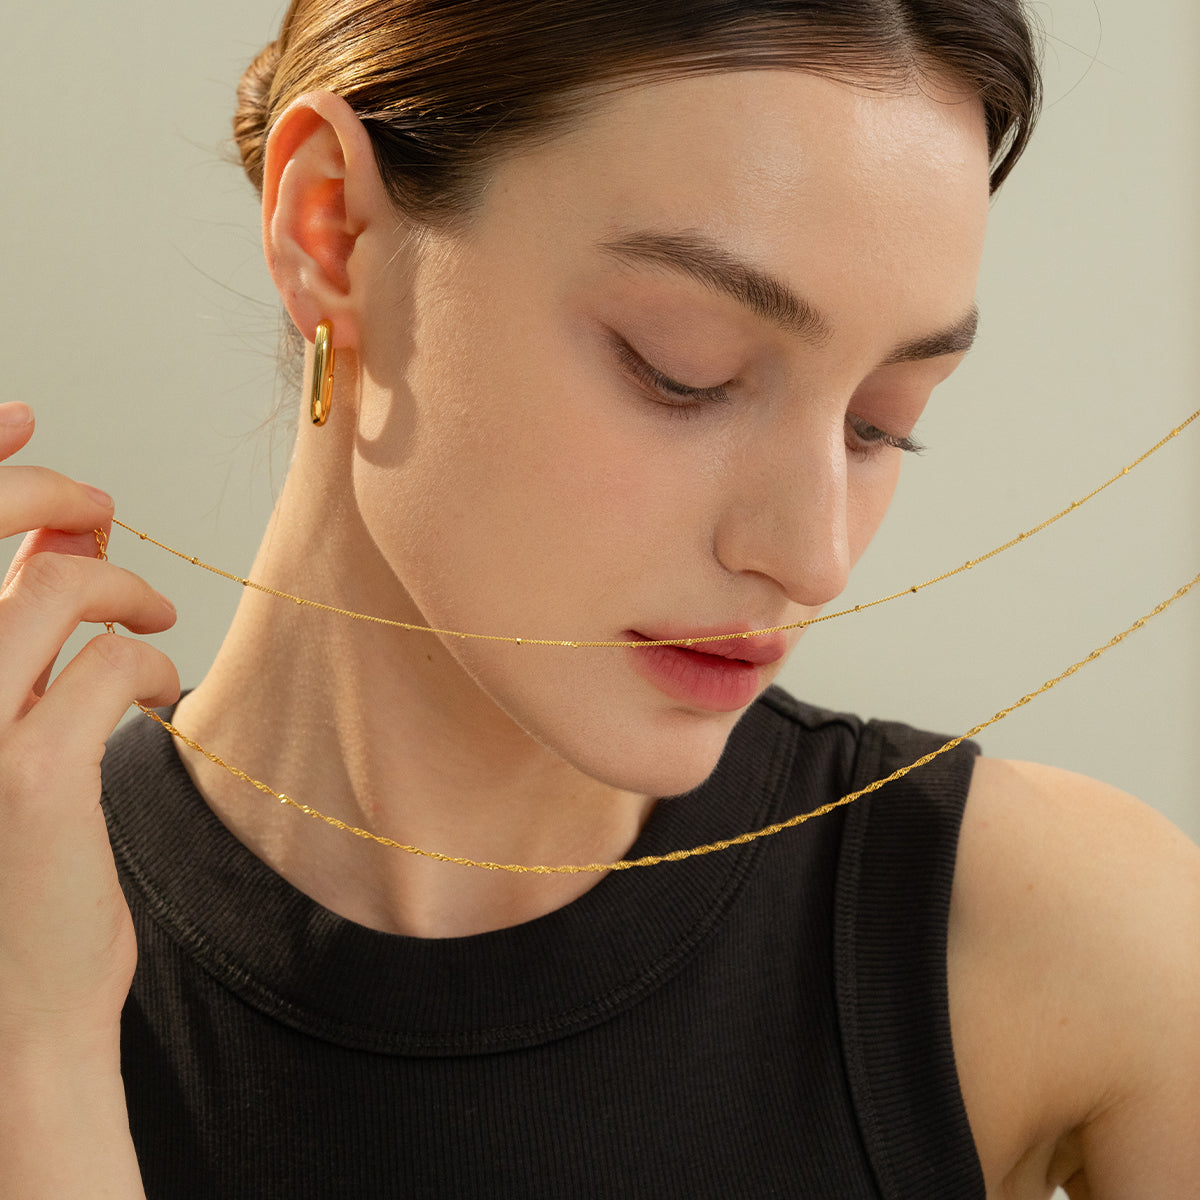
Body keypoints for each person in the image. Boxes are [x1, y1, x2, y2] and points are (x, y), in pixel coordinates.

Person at [1, 1, 1196, 1196]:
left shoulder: (1060, 944)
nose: (814, 558)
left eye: (882, 424)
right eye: (685, 369)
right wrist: (37, 1066)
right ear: (333, 233)